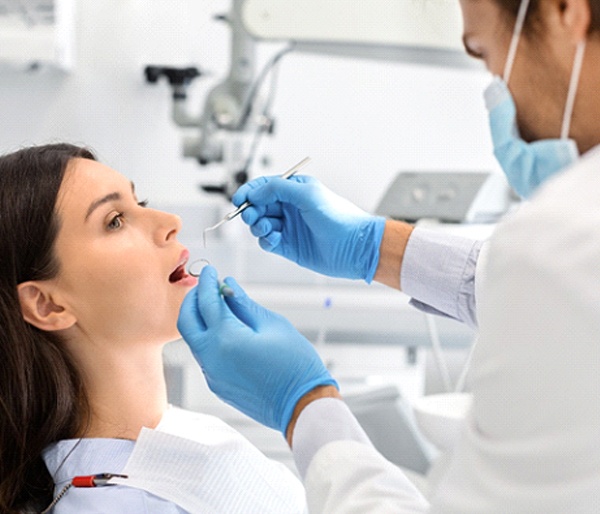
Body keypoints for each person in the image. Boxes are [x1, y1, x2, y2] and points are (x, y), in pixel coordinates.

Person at [177, 0, 600, 511]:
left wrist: (306, 406)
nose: (498, 89)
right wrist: (374, 247)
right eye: (116, 218)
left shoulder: (562, 245)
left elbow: (551, 285)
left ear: (564, 12)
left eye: (485, 55)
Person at [0, 144, 306, 513]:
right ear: (47, 305)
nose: (171, 222)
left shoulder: (176, 434)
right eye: (114, 220)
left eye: (139, 202)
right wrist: (311, 403)